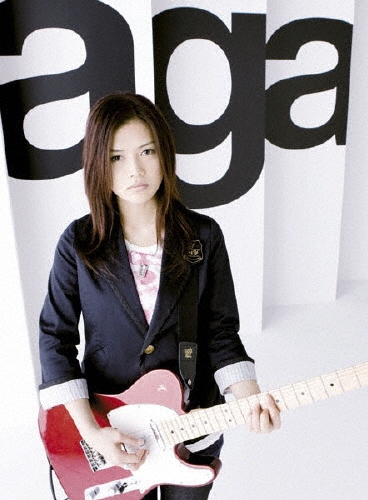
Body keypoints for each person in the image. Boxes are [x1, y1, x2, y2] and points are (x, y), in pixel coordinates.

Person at [38, 92, 281, 499]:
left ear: (165, 153)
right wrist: (92, 432)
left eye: (147, 152)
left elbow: (221, 333)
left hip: (192, 426)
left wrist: (250, 397)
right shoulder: (79, 243)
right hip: (112, 431)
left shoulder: (203, 237)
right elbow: (54, 339)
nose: (135, 170)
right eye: (116, 157)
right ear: (97, 164)